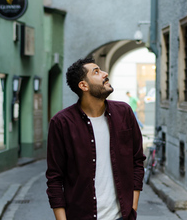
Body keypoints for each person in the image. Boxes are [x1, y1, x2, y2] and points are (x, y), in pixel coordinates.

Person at [46, 57, 145, 220]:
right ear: (83, 85)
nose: (105, 74)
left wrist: (132, 209)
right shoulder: (62, 123)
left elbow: (137, 161)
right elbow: (55, 178)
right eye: (97, 72)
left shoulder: (124, 113)